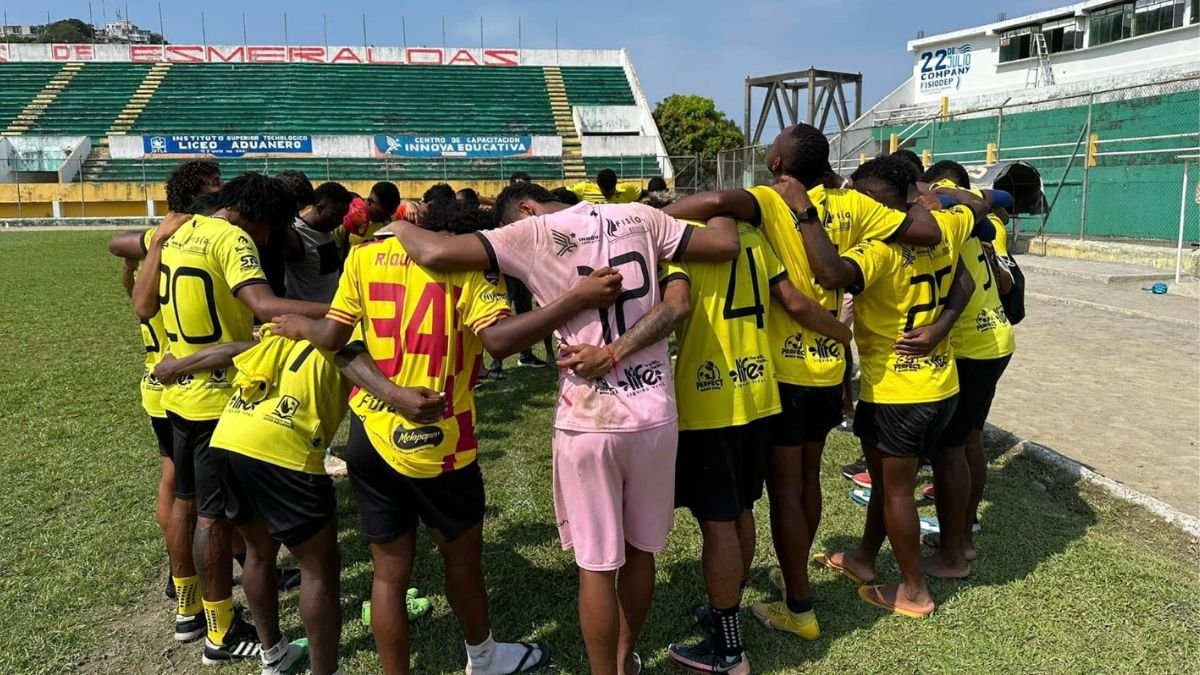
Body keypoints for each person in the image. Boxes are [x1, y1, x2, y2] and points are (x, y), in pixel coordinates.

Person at [388, 181, 739, 675]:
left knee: (597, 566)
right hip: (654, 412)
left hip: (588, 419)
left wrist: (395, 222)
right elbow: (724, 243)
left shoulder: (532, 231)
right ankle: (624, 659)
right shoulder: (642, 216)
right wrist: (729, 202)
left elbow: (436, 251)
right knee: (641, 553)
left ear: (525, 209)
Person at [271, 197, 623, 675]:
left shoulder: (364, 255)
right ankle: (483, 658)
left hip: (369, 432)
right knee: (460, 563)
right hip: (439, 439)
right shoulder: (471, 269)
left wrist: (302, 326)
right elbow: (500, 339)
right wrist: (576, 299)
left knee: (389, 574)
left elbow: (335, 340)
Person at [664, 123, 942, 639]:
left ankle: (799, 605)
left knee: (786, 492)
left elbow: (718, 199)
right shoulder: (854, 205)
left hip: (783, 372)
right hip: (829, 366)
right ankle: (792, 573)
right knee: (806, 481)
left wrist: (649, 216)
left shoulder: (771, 201)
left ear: (777, 165)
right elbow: (927, 231)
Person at [130, 173, 331, 665]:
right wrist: (345, 309)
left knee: (187, 498)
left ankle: (190, 608)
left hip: (177, 394)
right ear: (259, 218)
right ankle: (220, 632)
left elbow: (140, 302)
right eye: (269, 230)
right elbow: (261, 304)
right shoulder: (231, 236)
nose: (266, 242)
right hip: (217, 393)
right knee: (213, 517)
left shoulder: (177, 230)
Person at [150, 323, 417, 675]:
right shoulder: (358, 339)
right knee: (319, 569)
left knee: (259, 553)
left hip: (229, 437)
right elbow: (365, 377)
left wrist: (178, 366)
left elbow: (232, 350)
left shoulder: (288, 332)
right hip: (284, 447)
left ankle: (273, 657)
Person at [801, 156, 997, 618]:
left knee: (895, 493)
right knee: (892, 484)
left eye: (861, 198)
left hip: (896, 389)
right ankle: (865, 558)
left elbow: (831, 274)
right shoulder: (946, 225)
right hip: (942, 383)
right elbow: (974, 255)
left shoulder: (878, 248)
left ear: (875, 203)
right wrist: (943, 324)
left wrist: (808, 219)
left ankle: (913, 590)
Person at [660, 215, 851, 673]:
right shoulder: (752, 238)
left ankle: (728, 650)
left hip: (710, 400)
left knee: (718, 521)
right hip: (761, 392)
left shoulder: (676, 239)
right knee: (739, 509)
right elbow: (792, 300)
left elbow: (674, 305)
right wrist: (844, 335)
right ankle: (725, 612)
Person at [107, 159, 222, 602]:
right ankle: (188, 578)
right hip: (184, 380)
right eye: (215, 186)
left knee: (177, 485)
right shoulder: (187, 243)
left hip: (160, 383)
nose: (222, 193)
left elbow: (119, 248)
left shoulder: (159, 246)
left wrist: (151, 240)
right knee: (191, 493)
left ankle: (183, 578)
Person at [922, 160, 1017, 561]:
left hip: (972, 344)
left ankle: (955, 547)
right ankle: (966, 525)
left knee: (950, 447)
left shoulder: (947, 218)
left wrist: (942, 196)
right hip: (995, 336)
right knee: (970, 438)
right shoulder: (987, 225)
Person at [284, 181, 355, 304]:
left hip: (327, 313)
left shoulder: (326, 230)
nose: (340, 221)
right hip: (305, 317)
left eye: (342, 216)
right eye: (335, 215)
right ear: (319, 208)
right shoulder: (295, 235)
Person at [338, 181, 402, 257]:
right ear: (369, 201)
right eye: (382, 214)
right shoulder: (346, 219)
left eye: (389, 214)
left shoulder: (392, 221)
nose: (385, 218)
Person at [569, 168, 643, 204]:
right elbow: (561, 192)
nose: (608, 196)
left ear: (615, 185)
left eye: (611, 193)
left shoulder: (626, 189)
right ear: (598, 185)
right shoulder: (584, 188)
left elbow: (647, 193)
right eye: (605, 193)